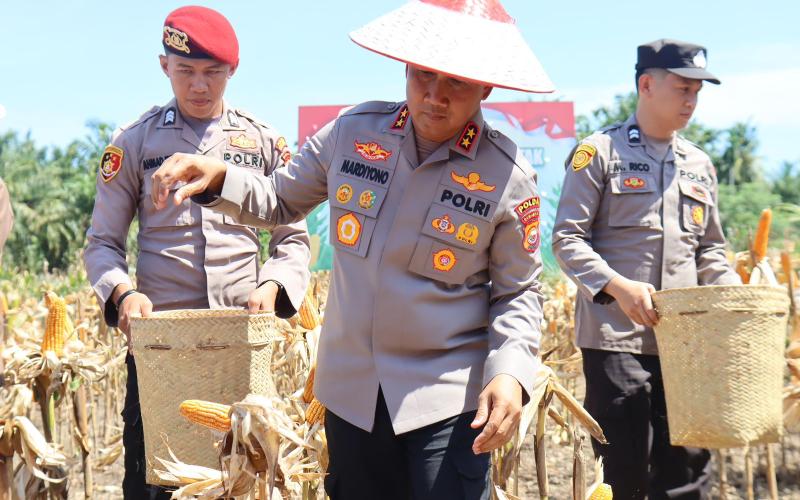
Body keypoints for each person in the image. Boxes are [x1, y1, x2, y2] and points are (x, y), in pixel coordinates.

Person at [148, 1, 554, 498]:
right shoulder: (353, 134)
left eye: (457, 84)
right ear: (406, 67)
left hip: (446, 398)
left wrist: (511, 373)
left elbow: (518, 293)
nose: (434, 96)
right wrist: (220, 178)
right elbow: (279, 198)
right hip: (351, 394)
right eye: (424, 75)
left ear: (486, 89)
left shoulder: (507, 178)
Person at [83, 6, 311, 498]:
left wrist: (273, 285)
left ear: (234, 71)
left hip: (240, 346)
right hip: (159, 348)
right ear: (164, 66)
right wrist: (123, 295)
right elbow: (102, 242)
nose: (200, 86)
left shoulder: (264, 142)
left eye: (213, 73)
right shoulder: (133, 141)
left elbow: (292, 240)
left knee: (242, 482)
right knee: (153, 482)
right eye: (186, 71)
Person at [552, 39, 741, 499]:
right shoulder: (598, 153)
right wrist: (617, 288)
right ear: (646, 84)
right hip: (616, 341)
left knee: (689, 467)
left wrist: (732, 290)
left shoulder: (699, 164)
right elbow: (567, 240)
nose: (691, 100)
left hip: (688, 344)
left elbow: (710, 249)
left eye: (697, 91)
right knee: (624, 467)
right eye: (682, 88)